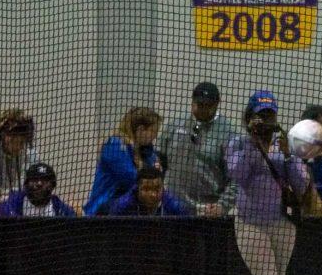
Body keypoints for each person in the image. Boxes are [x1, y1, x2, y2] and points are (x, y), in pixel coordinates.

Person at [225, 90, 310, 275]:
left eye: (270, 115)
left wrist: (288, 156)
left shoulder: (285, 144)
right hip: (251, 224)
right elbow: (238, 175)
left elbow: (300, 183)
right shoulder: (238, 143)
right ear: (249, 118)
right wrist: (253, 144)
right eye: (260, 115)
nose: (266, 120)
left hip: (283, 224)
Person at [158, 82, 239, 217]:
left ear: (217, 104)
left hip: (207, 211)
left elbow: (236, 180)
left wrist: (222, 206)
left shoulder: (229, 136)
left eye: (208, 106)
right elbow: (160, 160)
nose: (203, 109)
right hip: (172, 207)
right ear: (192, 102)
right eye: (199, 104)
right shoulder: (174, 126)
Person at [83, 107, 162, 216]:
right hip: (106, 206)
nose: (155, 136)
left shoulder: (145, 151)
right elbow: (130, 178)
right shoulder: (115, 145)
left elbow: (154, 174)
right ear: (140, 130)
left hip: (132, 207)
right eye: (153, 131)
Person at [0, 108, 38, 202]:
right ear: (3, 135)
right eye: (12, 137)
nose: (17, 146)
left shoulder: (31, 156)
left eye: (22, 142)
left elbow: (33, 193)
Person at [0, 162, 76, 217]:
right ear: (26, 183)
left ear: (52, 186)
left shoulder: (61, 210)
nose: (39, 183)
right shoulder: (11, 205)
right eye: (34, 179)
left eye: (45, 180)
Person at [109, 166, 192, 216]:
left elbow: (187, 215)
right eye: (146, 189)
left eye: (157, 188)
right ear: (137, 188)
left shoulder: (172, 205)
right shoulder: (122, 207)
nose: (153, 194)